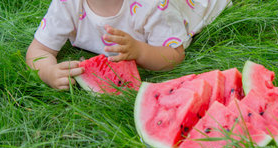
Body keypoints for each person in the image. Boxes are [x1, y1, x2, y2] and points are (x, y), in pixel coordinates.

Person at [26, 0, 232, 90]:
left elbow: (174, 55)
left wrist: (140, 51)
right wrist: (47, 71)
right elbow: (39, 50)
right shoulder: (66, 4)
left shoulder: (154, 5)